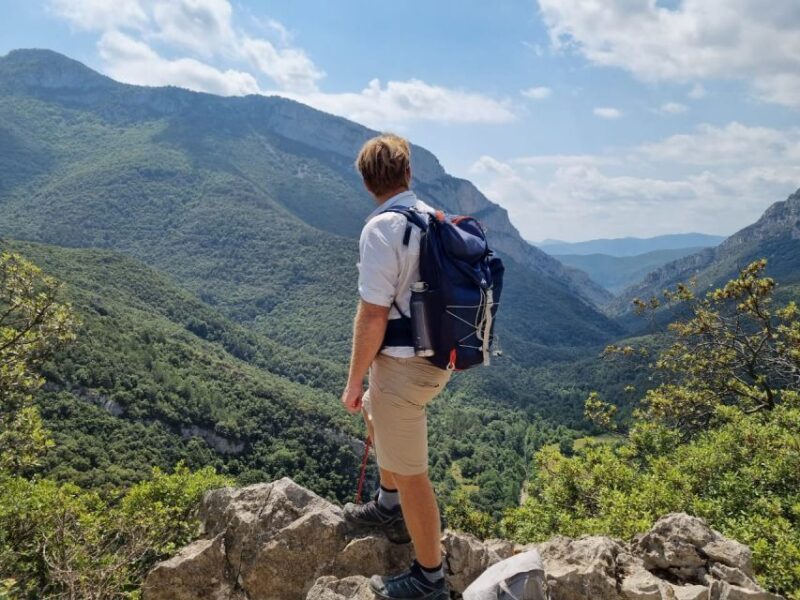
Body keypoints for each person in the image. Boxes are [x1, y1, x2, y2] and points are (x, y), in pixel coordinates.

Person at [341, 133, 452, 599]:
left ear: (367, 183)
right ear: (408, 173)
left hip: (406, 366)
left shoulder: (382, 228)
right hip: (439, 357)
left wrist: (350, 383)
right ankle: (388, 505)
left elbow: (372, 316)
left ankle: (431, 579)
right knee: (375, 405)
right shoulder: (432, 218)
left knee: (413, 475)